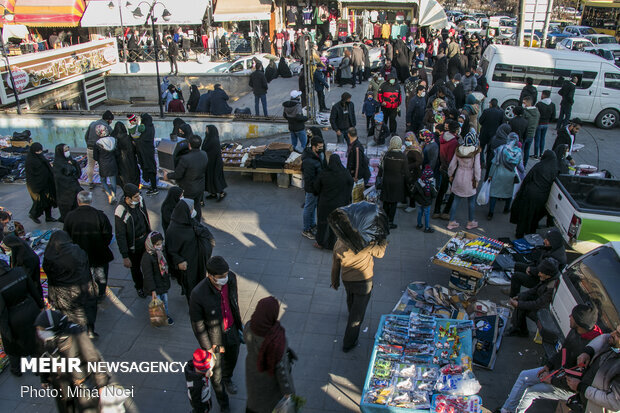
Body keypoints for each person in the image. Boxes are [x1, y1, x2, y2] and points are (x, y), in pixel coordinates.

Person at [499, 304, 602, 413]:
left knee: (530, 392)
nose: (569, 316)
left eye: (573, 316)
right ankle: (506, 410)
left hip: (567, 386)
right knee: (524, 376)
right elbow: (563, 352)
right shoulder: (576, 331)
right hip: (558, 372)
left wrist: (551, 380)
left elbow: (574, 382)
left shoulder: (590, 349)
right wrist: (548, 366)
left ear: (580, 322)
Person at [189, 256, 243, 413]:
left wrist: (239, 325)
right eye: (220, 277)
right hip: (215, 340)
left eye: (225, 275)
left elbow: (233, 302)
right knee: (216, 372)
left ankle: (229, 378)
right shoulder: (198, 294)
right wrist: (208, 348)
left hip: (232, 330)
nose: (224, 279)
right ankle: (223, 402)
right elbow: (197, 324)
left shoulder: (231, 278)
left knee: (233, 356)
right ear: (210, 276)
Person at [34, 309, 109, 412]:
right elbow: (42, 358)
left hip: (81, 383)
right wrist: (44, 378)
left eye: (43, 330)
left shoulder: (75, 332)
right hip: (61, 385)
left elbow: (93, 358)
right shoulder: (44, 340)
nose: (40, 333)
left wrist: (102, 383)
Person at [331, 237, 387, 352]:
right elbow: (380, 253)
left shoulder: (339, 242)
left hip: (347, 279)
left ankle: (351, 311)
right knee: (357, 315)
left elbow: (335, 264)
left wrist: (335, 281)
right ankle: (348, 343)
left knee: (350, 297)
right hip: (363, 282)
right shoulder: (365, 242)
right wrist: (383, 240)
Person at [244, 296, 296, 413]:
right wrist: (288, 392)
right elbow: (281, 371)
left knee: (253, 403)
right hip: (269, 387)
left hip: (253, 377)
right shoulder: (276, 340)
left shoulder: (249, 327)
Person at [42, 231, 98, 338]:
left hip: (63, 290)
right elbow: (85, 264)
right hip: (82, 286)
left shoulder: (50, 254)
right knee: (88, 309)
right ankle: (90, 329)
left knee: (69, 313)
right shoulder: (76, 250)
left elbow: (48, 271)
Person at [63, 191, 113, 302]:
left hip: (78, 254)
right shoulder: (100, 215)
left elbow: (65, 235)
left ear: (78, 201)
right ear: (90, 201)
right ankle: (100, 293)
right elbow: (108, 234)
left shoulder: (70, 216)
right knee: (100, 275)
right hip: (98, 253)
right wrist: (102, 244)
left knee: (82, 275)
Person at [0, 260, 44, 376]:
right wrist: (40, 306)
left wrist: (6, 331)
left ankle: (16, 370)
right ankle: (39, 369)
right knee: (34, 342)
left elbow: (2, 310)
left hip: (13, 318)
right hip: (31, 310)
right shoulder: (20, 271)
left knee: (13, 347)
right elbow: (33, 290)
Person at [165, 199, 215, 302]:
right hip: (188, 264)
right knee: (191, 284)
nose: (193, 211)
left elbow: (201, 228)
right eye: (191, 209)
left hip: (198, 259)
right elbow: (171, 249)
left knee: (200, 280)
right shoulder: (173, 230)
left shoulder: (189, 220)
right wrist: (179, 261)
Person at [567, 325, 620, 413]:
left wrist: (581, 387)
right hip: (581, 403)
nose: (612, 334)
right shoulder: (613, 344)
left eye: (618, 335)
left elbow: (614, 402)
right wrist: (588, 351)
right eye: (615, 330)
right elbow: (604, 338)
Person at [502, 227, 567, 298]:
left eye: (547, 240)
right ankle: (513, 288)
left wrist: (531, 269)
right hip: (538, 270)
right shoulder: (554, 247)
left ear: (553, 242)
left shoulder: (555, 258)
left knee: (516, 276)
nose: (544, 241)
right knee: (518, 265)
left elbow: (542, 271)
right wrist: (530, 267)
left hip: (541, 279)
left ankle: (513, 298)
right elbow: (539, 262)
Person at [510, 150, 559, 238]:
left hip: (529, 193)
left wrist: (521, 190)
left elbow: (528, 178)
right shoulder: (554, 169)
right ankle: (530, 232)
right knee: (534, 215)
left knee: (524, 213)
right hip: (541, 196)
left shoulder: (539, 166)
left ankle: (519, 233)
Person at [506, 258, 559, 337]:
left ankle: (519, 330)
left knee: (522, 307)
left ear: (548, 275)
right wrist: (519, 296)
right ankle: (517, 329)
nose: (538, 274)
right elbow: (535, 289)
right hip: (540, 303)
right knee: (522, 299)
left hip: (545, 312)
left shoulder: (551, 287)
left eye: (541, 272)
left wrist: (519, 304)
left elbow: (538, 304)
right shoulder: (548, 278)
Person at [115, 183, 151, 298]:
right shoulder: (121, 211)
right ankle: (139, 287)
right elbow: (120, 235)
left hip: (145, 239)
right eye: (135, 197)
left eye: (138, 195)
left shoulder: (140, 201)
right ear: (127, 198)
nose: (138, 198)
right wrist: (125, 256)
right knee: (135, 268)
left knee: (148, 265)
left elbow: (145, 217)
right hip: (133, 245)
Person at [314, 154, 354, 250]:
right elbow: (351, 183)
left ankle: (320, 242)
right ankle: (335, 244)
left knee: (322, 223)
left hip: (325, 204)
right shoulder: (345, 173)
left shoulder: (324, 173)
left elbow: (316, 187)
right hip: (340, 204)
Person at [164, 135, 208, 222]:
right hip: (200, 186)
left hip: (189, 188)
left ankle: (190, 223)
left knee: (188, 207)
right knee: (197, 205)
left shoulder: (185, 159)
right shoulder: (204, 154)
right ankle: (197, 221)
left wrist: (167, 176)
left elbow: (178, 174)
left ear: (189, 145)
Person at [447, 129, 482, 230]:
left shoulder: (459, 149)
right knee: (471, 201)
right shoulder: (476, 151)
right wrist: (477, 179)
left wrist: (450, 174)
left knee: (456, 200)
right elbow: (477, 168)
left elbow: (452, 165)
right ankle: (470, 222)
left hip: (459, 175)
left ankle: (451, 221)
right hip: (470, 178)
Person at [487, 132, 522, 220]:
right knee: (508, 193)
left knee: (494, 193)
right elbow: (519, 164)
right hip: (510, 174)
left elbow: (494, 163)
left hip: (499, 173)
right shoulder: (518, 152)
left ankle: (491, 213)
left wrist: (490, 175)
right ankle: (506, 209)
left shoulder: (501, 149)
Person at [142, 231, 174, 326]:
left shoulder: (161, 253)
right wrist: (153, 290)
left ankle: (166, 316)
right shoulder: (147, 258)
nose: (160, 246)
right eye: (157, 244)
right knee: (157, 304)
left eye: (161, 243)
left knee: (165, 302)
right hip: (155, 287)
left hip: (163, 285)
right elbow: (148, 276)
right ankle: (158, 320)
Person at [379, 136, 410, 229]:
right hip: (397, 183)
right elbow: (406, 172)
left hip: (387, 181)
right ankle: (390, 221)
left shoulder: (387, 155)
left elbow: (382, 168)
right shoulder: (403, 156)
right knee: (393, 203)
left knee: (385, 202)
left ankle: (383, 220)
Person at [1, 234, 42, 298]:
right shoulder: (17, 253)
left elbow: (26, 279)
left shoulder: (28, 259)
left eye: (7, 250)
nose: (6, 252)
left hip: (30, 291)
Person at [433, 120, 460, 219]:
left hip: (442, 166)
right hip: (450, 169)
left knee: (442, 190)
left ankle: (436, 210)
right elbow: (451, 159)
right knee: (453, 191)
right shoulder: (454, 142)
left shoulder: (443, 137)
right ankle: (446, 212)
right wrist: (452, 174)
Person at [25, 142, 57, 224]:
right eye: (37, 151)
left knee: (49, 200)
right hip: (37, 185)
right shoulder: (30, 161)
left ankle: (48, 217)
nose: (39, 153)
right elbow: (33, 175)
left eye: (40, 151)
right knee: (40, 202)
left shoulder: (40, 157)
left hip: (46, 183)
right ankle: (34, 215)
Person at [301, 137, 325, 240]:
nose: (321, 149)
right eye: (319, 147)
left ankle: (312, 224)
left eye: (322, 147)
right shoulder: (308, 161)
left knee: (313, 207)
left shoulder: (317, 155)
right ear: (314, 147)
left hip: (317, 188)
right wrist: (315, 188)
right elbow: (309, 179)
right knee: (309, 208)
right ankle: (306, 229)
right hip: (312, 189)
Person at [52, 143, 82, 223]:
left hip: (73, 186)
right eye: (65, 151)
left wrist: (74, 164)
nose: (67, 152)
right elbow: (59, 177)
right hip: (65, 189)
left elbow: (77, 172)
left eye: (68, 150)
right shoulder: (58, 163)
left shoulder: (69, 160)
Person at [84, 110, 114, 189]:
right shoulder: (106, 126)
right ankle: (104, 185)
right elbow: (113, 136)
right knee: (102, 166)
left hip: (90, 148)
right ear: (108, 120)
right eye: (111, 120)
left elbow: (86, 136)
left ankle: (90, 182)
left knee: (90, 165)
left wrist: (88, 144)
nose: (111, 122)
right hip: (100, 150)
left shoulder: (92, 124)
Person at [93, 124, 119, 204]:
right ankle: (114, 194)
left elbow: (95, 157)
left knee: (103, 180)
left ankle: (109, 194)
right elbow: (117, 153)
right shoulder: (113, 140)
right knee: (113, 181)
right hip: (113, 163)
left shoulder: (97, 143)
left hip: (103, 164)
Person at [202, 125, 228, 201]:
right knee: (210, 178)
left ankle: (222, 193)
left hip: (214, 163)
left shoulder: (213, 140)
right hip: (210, 163)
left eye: (207, 130)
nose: (206, 131)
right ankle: (213, 193)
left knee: (214, 178)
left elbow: (212, 153)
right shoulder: (210, 138)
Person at [135, 113, 159, 196]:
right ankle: (153, 186)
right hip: (149, 152)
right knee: (151, 169)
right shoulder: (151, 127)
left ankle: (154, 188)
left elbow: (140, 140)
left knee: (150, 170)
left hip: (146, 154)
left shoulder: (145, 130)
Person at [185, 348, 214, 413]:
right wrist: (200, 410)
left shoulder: (192, 367)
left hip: (201, 397)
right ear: (204, 370)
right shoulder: (197, 384)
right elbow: (196, 400)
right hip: (203, 401)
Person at [112, 121, 140, 187]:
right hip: (131, 160)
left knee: (124, 178)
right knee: (133, 175)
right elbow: (134, 149)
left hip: (120, 163)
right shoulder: (127, 138)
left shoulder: (114, 139)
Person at [478, 98, 505, 165]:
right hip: (494, 134)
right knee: (490, 150)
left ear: (490, 104)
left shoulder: (486, 111)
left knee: (481, 148)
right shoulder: (500, 113)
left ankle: (481, 161)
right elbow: (502, 124)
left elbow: (480, 121)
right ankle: (488, 163)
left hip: (484, 133)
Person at [413, 165, 437, 233]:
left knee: (420, 213)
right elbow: (434, 195)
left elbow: (414, 191)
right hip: (427, 203)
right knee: (426, 215)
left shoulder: (418, 182)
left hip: (419, 202)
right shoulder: (431, 186)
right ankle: (427, 228)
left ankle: (419, 224)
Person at [533, 90, 555, 159]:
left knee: (537, 139)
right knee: (542, 139)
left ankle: (536, 154)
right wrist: (548, 121)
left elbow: (536, 114)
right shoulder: (552, 105)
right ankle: (541, 153)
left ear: (544, 95)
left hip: (539, 123)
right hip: (546, 123)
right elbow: (553, 115)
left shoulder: (539, 104)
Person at [522, 96, 540, 167]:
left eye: (524, 102)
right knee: (527, 151)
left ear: (527, 103)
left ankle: (519, 165)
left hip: (524, 135)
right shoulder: (537, 112)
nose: (523, 104)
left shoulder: (525, 112)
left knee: (520, 151)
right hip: (532, 134)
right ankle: (524, 165)